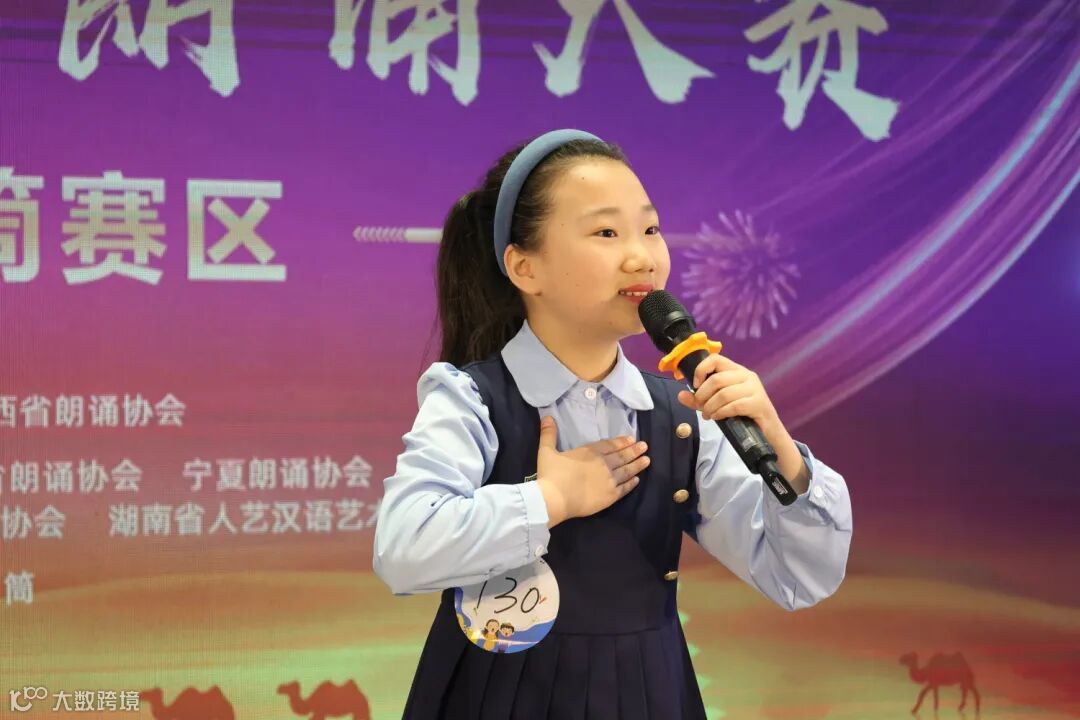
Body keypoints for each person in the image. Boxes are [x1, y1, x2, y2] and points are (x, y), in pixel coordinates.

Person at [373, 129, 853, 720]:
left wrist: (781, 450)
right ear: (524, 266)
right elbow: (403, 547)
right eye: (607, 233)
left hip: (650, 693)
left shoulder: (682, 414)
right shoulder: (471, 397)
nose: (642, 257)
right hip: (496, 696)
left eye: (650, 229)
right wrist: (551, 499)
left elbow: (798, 578)